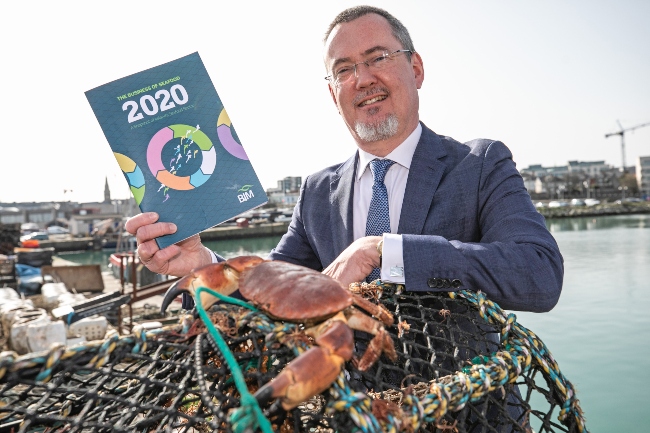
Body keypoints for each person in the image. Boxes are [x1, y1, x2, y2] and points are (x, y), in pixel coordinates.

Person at [126, 5, 563, 314]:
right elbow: (272, 289)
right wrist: (202, 265)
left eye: (378, 58)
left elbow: (539, 276)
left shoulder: (480, 163)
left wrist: (384, 251)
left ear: (416, 69)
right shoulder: (318, 190)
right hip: (352, 413)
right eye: (344, 69)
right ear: (332, 93)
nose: (362, 79)